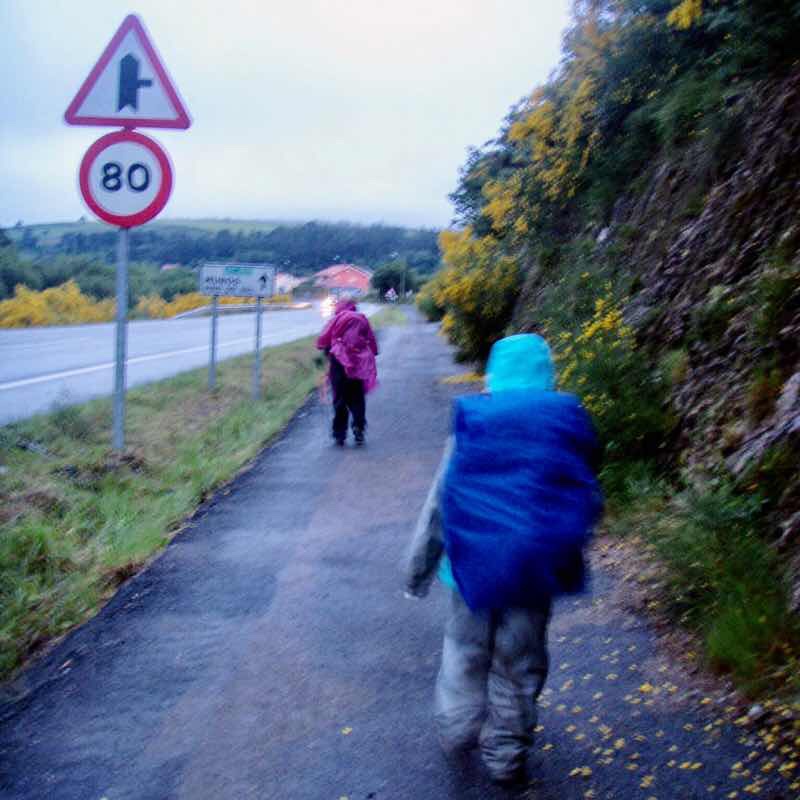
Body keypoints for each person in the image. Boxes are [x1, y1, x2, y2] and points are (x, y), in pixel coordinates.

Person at [404, 333, 603, 786]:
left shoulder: (475, 426)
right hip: (532, 575)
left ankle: (457, 731)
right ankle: (505, 759)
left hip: (469, 574)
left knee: (465, 653)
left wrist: (417, 570)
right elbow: (583, 495)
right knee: (518, 665)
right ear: (548, 377)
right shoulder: (563, 426)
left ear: (492, 378)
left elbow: (439, 506)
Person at [316, 297, 379, 446]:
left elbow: (323, 339)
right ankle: (359, 427)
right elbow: (371, 340)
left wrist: (324, 351)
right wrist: (372, 353)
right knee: (357, 397)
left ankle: (339, 434)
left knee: (340, 398)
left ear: (339, 307)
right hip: (358, 363)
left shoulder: (336, 318)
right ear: (353, 307)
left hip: (338, 362)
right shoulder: (362, 318)